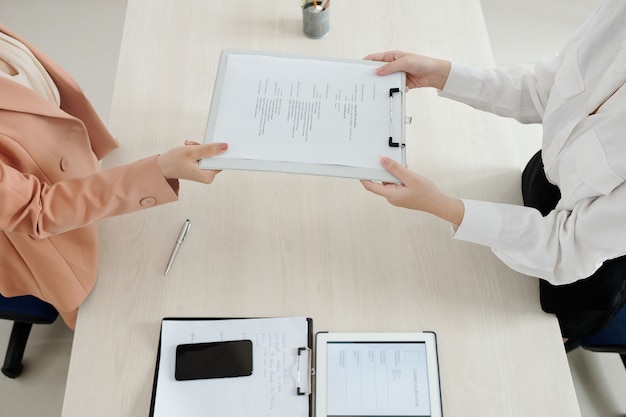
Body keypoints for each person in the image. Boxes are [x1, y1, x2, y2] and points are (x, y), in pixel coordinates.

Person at [361, 0, 626, 347]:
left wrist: (443, 205)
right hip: (539, 183)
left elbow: (566, 249)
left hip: (576, 269)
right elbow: (546, 88)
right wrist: (442, 73)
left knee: (505, 339)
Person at [0, 24, 228, 328]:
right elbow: (35, 210)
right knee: (119, 329)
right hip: (58, 237)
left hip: (92, 181)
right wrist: (160, 171)